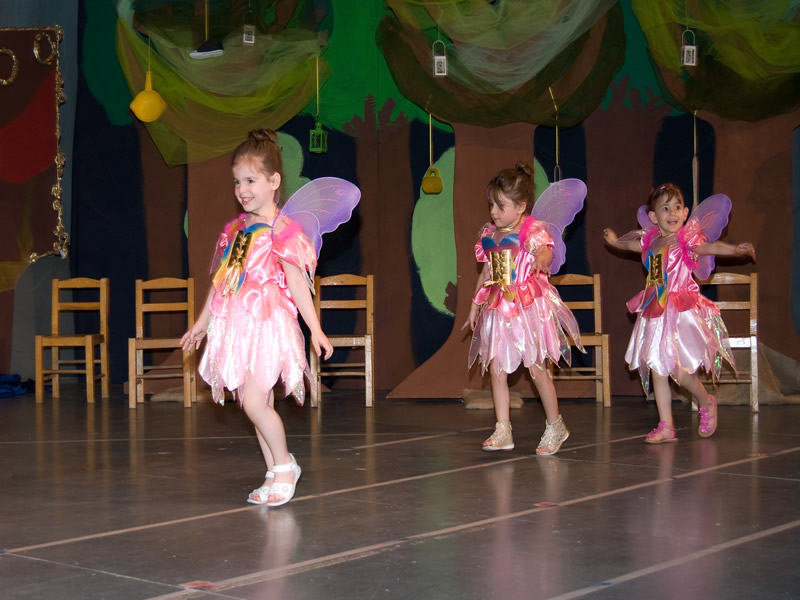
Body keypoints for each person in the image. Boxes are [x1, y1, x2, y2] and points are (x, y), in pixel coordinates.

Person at [181, 129, 333, 506]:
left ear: (274, 181)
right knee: (254, 403)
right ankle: (273, 471)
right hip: (238, 325)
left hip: (268, 324)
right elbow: (223, 282)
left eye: (251, 180)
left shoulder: (283, 231)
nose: (242, 189)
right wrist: (202, 323)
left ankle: (285, 466)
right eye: (237, 182)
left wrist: (315, 328)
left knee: (253, 403)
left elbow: (297, 284)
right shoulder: (239, 230)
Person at [603, 183, 755, 443]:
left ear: (685, 213)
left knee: (681, 372)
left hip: (679, 310)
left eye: (677, 207)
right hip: (655, 309)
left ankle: (705, 400)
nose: (672, 213)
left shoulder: (686, 240)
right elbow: (632, 247)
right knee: (657, 369)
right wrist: (615, 242)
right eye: (665, 208)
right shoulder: (651, 241)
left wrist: (734, 250)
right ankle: (666, 426)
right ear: (654, 217)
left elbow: (711, 248)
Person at [463, 162, 584, 456]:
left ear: (521, 207)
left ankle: (556, 425)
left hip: (527, 309)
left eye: (501, 206)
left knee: (537, 369)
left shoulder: (531, 232)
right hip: (498, 308)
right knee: (496, 369)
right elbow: (487, 272)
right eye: (492, 205)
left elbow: (546, 250)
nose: (494, 212)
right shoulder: (490, 235)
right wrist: (474, 305)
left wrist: (543, 256)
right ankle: (502, 429)